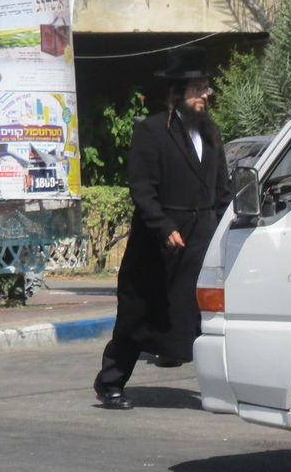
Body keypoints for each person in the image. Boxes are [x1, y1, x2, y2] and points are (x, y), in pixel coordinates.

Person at [93, 46, 230, 409]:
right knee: (139, 315)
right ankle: (111, 382)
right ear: (177, 93)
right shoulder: (152, 131)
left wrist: (224, 223)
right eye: (198, 88)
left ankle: (218, 389)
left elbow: (221, 188)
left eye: (206, 88)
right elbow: (142, 188)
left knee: (203, 315)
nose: (205, 95)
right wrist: (163, 225)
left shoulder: (211, 132)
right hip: (159, 242)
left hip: (200, 235)